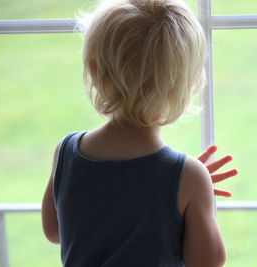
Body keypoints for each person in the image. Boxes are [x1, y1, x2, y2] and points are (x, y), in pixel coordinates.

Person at [41, 0, 237, 266]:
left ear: (94, 70)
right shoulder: (188, 177)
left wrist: (174, 190)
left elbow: (55, 232)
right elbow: (207, 262)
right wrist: (187, 195)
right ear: (188, 83)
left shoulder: (66, 151)